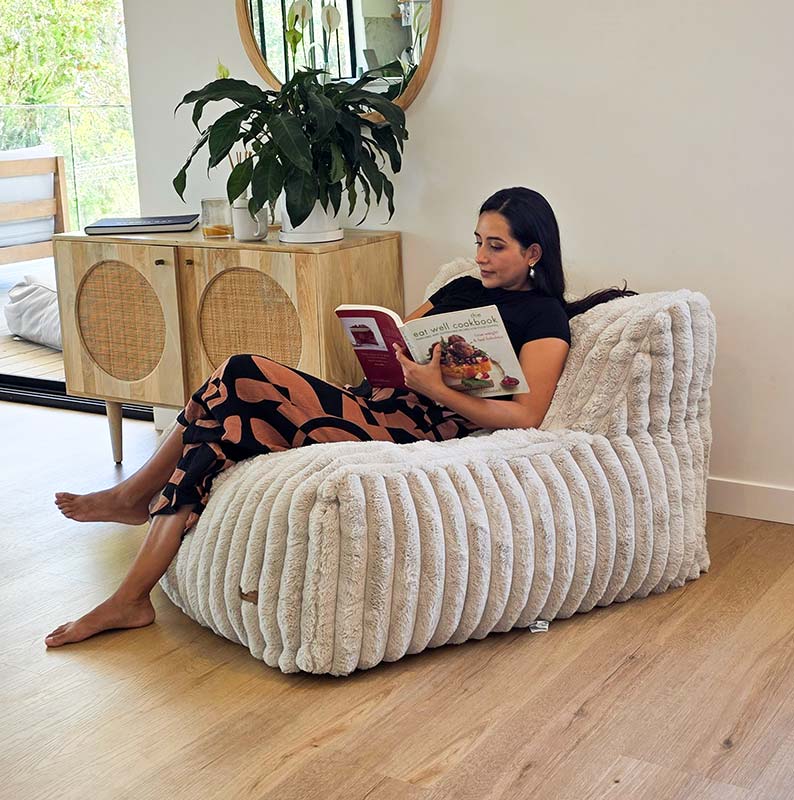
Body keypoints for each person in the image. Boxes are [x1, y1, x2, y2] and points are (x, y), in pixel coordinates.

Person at [45, 187, 634, 647]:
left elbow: (527, 415)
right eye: (478, 240)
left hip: (418, 427)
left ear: (533, 253)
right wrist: (392, 350)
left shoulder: (543, 319)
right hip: (373, 401)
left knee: (239, 372)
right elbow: (399, 341)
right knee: (226, 408)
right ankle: (132, 582)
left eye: (496, 246)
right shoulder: (458, 285)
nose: (480, 255)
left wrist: (435, 384)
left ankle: (132, 518)